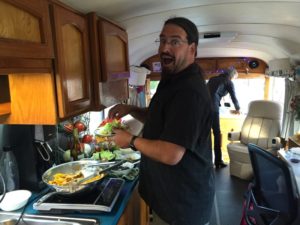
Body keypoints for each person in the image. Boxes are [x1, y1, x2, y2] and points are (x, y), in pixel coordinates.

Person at [108, 17, 214, 225]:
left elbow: (171, 153)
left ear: (192, 49)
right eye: (162, 40)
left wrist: (130, 140)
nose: (165, 47)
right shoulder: (172, 79)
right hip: (170, 200)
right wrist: (131, 109)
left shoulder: (189, 92)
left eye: (175, 42)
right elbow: (158, 116)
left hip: (182, 208)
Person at [207, 68, 240, 169]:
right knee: (217, 134)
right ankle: (218, 161)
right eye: (234, 78)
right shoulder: (228, 82)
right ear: (232, 76)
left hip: (203, 107)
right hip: (213, 108)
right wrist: (238, 108)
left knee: (205, 134)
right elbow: (233, 97)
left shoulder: (212, 79)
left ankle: (206, 162)